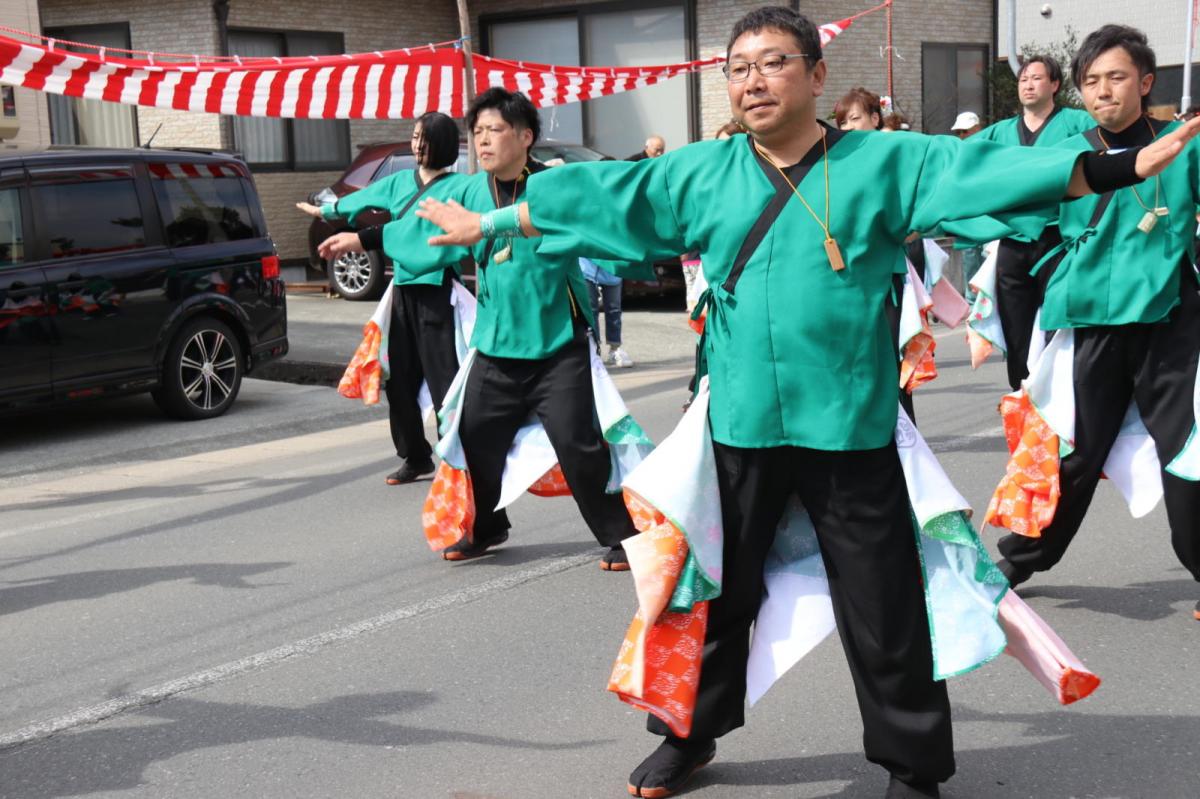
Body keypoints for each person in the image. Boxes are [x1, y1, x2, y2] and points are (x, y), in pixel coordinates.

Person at [414, 8, 1196, 797]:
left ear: (816, 76)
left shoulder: (883, 162)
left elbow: (981, 176)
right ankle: (688, 736)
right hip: (740, 426)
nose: (753, 80)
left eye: (774, 62)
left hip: (850, 425)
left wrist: (1118, 170)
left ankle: (914, 765)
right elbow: (609, 195)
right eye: (739, 67)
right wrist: (490, 219)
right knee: (714, 594)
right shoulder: (704, 173)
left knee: (884, 604)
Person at [319, 88, 641, 569]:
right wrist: (362, 236)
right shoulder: (468, 190)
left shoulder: (552, 186)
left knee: (578, 443)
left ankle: (621, 535)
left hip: (557, 343)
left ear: (526, 136)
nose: (484, 140)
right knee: (473, 437)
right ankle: (489, 527)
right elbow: (419, 228)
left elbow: (604, 218)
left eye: (495, 130)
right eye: (479, 132)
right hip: (495, 345)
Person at [984, 26, 1200, 628]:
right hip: (1088, 325)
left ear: (1146, 82)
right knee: (1070, 455)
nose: (1104, 90)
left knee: (1189, 454)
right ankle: (1019, 561)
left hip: (1171, 322)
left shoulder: (1185, 145)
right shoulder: (1066, 154)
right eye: (1092, 81)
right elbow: (1012, 224)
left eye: (1117, 77)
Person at [297, 111, 465, 485]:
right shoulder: (399, 182)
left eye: (424, 138)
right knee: (397, 377)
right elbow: (361, 199)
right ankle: (416, 455)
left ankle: (457, 461)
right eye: (415, 136)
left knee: (445, 383)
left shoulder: (459, 188)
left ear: (443, 144)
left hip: (439, 292)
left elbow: (417, 231)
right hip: (403, 291)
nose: (417, 144)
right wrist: (325, 210)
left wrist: (364, 237)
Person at [974, 56, 1095, 389]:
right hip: (1013, 242)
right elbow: (962, 161)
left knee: (1061, 323)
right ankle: (1023, 393)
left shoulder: (1076, 122)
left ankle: (1060, 396)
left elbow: (1109, 152)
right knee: (1016, 328)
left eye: (1036, 78)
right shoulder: (999, 131)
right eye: (1023, 79)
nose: (1027, 84)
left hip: (1061, 239)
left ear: (1055, 85)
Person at [580, 256, 633, 367]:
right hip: (587, 266)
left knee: (614, 309)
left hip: (613, 266)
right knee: (591, 309)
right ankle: (593, 349)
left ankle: (614, 349)